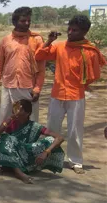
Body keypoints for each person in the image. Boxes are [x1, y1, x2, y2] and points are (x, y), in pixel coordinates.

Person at [36, 15, 106, 174]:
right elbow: (39, 56)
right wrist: (48, 41)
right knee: (52, 128)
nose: (70, 32)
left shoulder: (89, 50)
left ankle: (75, 161)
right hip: (57, 94)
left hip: (77, 96)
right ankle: (48, 157)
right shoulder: (60, 46)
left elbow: (94, 74)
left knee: (75, 130)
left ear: (84, 31)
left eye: (75, 30)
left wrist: (82, 85)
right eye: (70, 28)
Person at [0, 7, 45, 125]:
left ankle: (29, 143)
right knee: (4, 119)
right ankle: (1, 142)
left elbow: (41, 68)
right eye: (23, 21)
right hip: (8, 86)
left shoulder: (36, 40)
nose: (27, 23)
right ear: (14, 22)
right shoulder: (5, 41)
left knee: (30, 120)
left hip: (29, 88)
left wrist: (37, 89)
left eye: (29, 21)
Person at [0, 99, 65, 184]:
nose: (17, 111)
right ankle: (18, 173)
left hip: (27, 156)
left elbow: (60, 138)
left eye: (20, 109)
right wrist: (9, 119)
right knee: (7, 138)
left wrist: (46, 152)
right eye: (16, 109)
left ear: (27, 113)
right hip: (12, 154)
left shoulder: (34, 126)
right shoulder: (11, 122)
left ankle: (21, 168)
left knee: (50, 140)